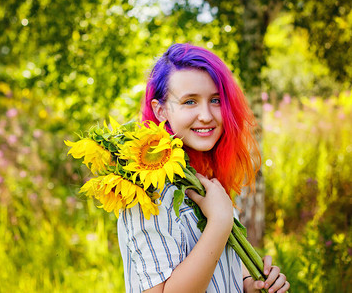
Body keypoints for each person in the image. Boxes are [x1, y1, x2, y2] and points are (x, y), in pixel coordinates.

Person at [117, 43, 290, 293]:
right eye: (190, 102)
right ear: (161, 110)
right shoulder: (147, 192)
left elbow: (218, 270)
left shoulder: (206, 177)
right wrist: (219, 222)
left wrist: (249, 285)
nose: (207, 115)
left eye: (216, 100)